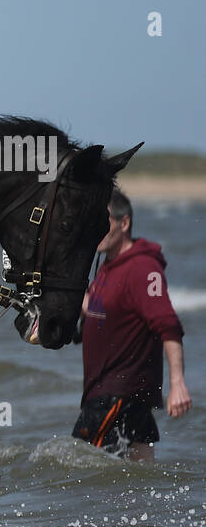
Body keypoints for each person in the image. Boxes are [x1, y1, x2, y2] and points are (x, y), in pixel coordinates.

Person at [72, 191, 191, 460]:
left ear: (124, 224)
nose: (95, 230)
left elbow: (168, 325)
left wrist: (178, 384)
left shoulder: (143, 268)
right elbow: (103, 311)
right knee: (136, 482)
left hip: (118, 396)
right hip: (115, 395)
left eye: (103, 223)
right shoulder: (108, 266)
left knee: (75, 470)